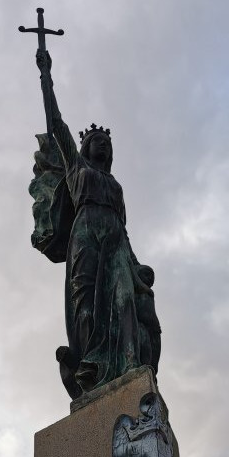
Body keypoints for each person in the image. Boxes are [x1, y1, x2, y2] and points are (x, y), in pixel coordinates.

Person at [33, 49, 157, 396]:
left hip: (115, 239)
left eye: (106, 143)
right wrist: (47, 77)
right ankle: (90, 365)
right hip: (85, 235)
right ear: (85, 148)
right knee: (85, 305)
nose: (102, 146)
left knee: (125, 301)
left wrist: (136, 264)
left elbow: (126, 229)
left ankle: (128, 363)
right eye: (95, 142)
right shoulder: (78, 169)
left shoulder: (116, 185)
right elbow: (57, 126)